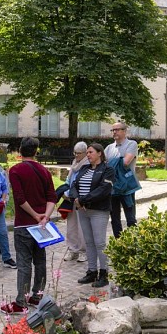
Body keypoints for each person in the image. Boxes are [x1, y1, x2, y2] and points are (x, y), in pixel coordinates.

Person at [2, 137, 56, 313]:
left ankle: (21, 302)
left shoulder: (16, 170)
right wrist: (45, 217)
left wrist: (34, 215)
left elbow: (20, 198)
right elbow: (51, 197)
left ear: (20, 150)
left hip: (24, 224)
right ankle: (37, 295)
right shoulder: (44, 171)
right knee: (40, 260)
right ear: (36, 151)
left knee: (24, 263)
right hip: (41, 225)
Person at [72, 143, 115, 288]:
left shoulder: (107, 170)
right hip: (83, 210)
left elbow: (104, 190)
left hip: (99, 211)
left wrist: (83, 200)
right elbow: (74, 185)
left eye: (90, 152)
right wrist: (76, 199)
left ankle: (104, 274)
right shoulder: (84, 168)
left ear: (100, 153)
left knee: (100, 243)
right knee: (88, 242)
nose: (88, 155)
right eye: (87, 152)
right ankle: (91, 271)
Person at [104, 122, 139, 238]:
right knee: (114, 218)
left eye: (117, 129)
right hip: (112, 187)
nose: (114, 132)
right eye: (113, 130)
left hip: (127, 187)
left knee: (130, 218)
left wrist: (111, 163)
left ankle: (133, 244)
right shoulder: (109, 148)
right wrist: (117, 160)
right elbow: (102, 166)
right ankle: (119, 244)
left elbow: (125, 162)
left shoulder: (132, 144)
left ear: (124, 131)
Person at [62, 142, 89, 262]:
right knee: (71, 226)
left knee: (82, 226)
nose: (76, 155)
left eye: (79, 153)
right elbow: (68, 180)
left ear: (85, 153)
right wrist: (65, 193)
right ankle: (72, 249)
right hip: (71, 198)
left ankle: (84, 251)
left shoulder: (88, 164)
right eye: (75, 153)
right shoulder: (74, 164)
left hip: (82, 199)